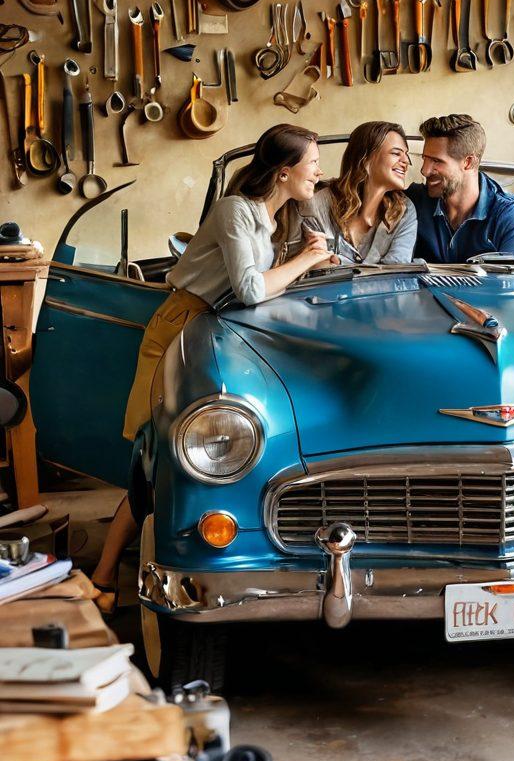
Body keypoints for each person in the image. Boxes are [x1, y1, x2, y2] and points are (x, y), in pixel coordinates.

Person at [90, 124, 337, 614]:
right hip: (181, 328)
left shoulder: (271, 218)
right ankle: (104, 573)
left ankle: (120, 569)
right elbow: (250, 288)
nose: (318, 171)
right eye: (312, 163)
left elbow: (259, 288)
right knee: (158, 458)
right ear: (283, 171)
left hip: (219, 332)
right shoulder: (234, 211)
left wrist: (305, 261)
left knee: (199, 461)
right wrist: (306, 260)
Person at [406, 114, 514, 263]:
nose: (425, 170)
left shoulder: (507, 213)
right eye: (425, 159)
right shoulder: (414, 201)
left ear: (468, 162)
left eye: (437, 161)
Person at [283, 121, 417, 264]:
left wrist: (338, 262)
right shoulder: (313, 204)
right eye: (396, 153)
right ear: (365, 159)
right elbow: (304, 266)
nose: (406, 161)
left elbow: (398, 268)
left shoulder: (404, 210)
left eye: (406, 154)